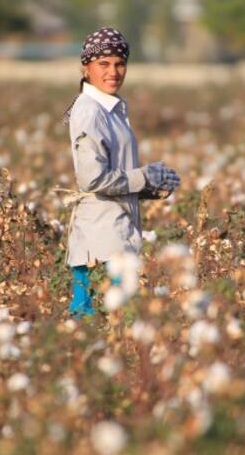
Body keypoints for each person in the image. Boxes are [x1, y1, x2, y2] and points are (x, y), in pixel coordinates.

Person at [61, 27, 180, 317]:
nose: (113, 72)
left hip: (114, 231)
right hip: (101, 240)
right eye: (103, 64)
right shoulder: (90, 110)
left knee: (108, 326)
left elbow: (114, 174)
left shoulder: (111, 109)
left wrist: (151, 186)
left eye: (119, 64)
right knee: (103, 323)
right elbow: (93, 179)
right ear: (86, 68)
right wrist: (144, 177)